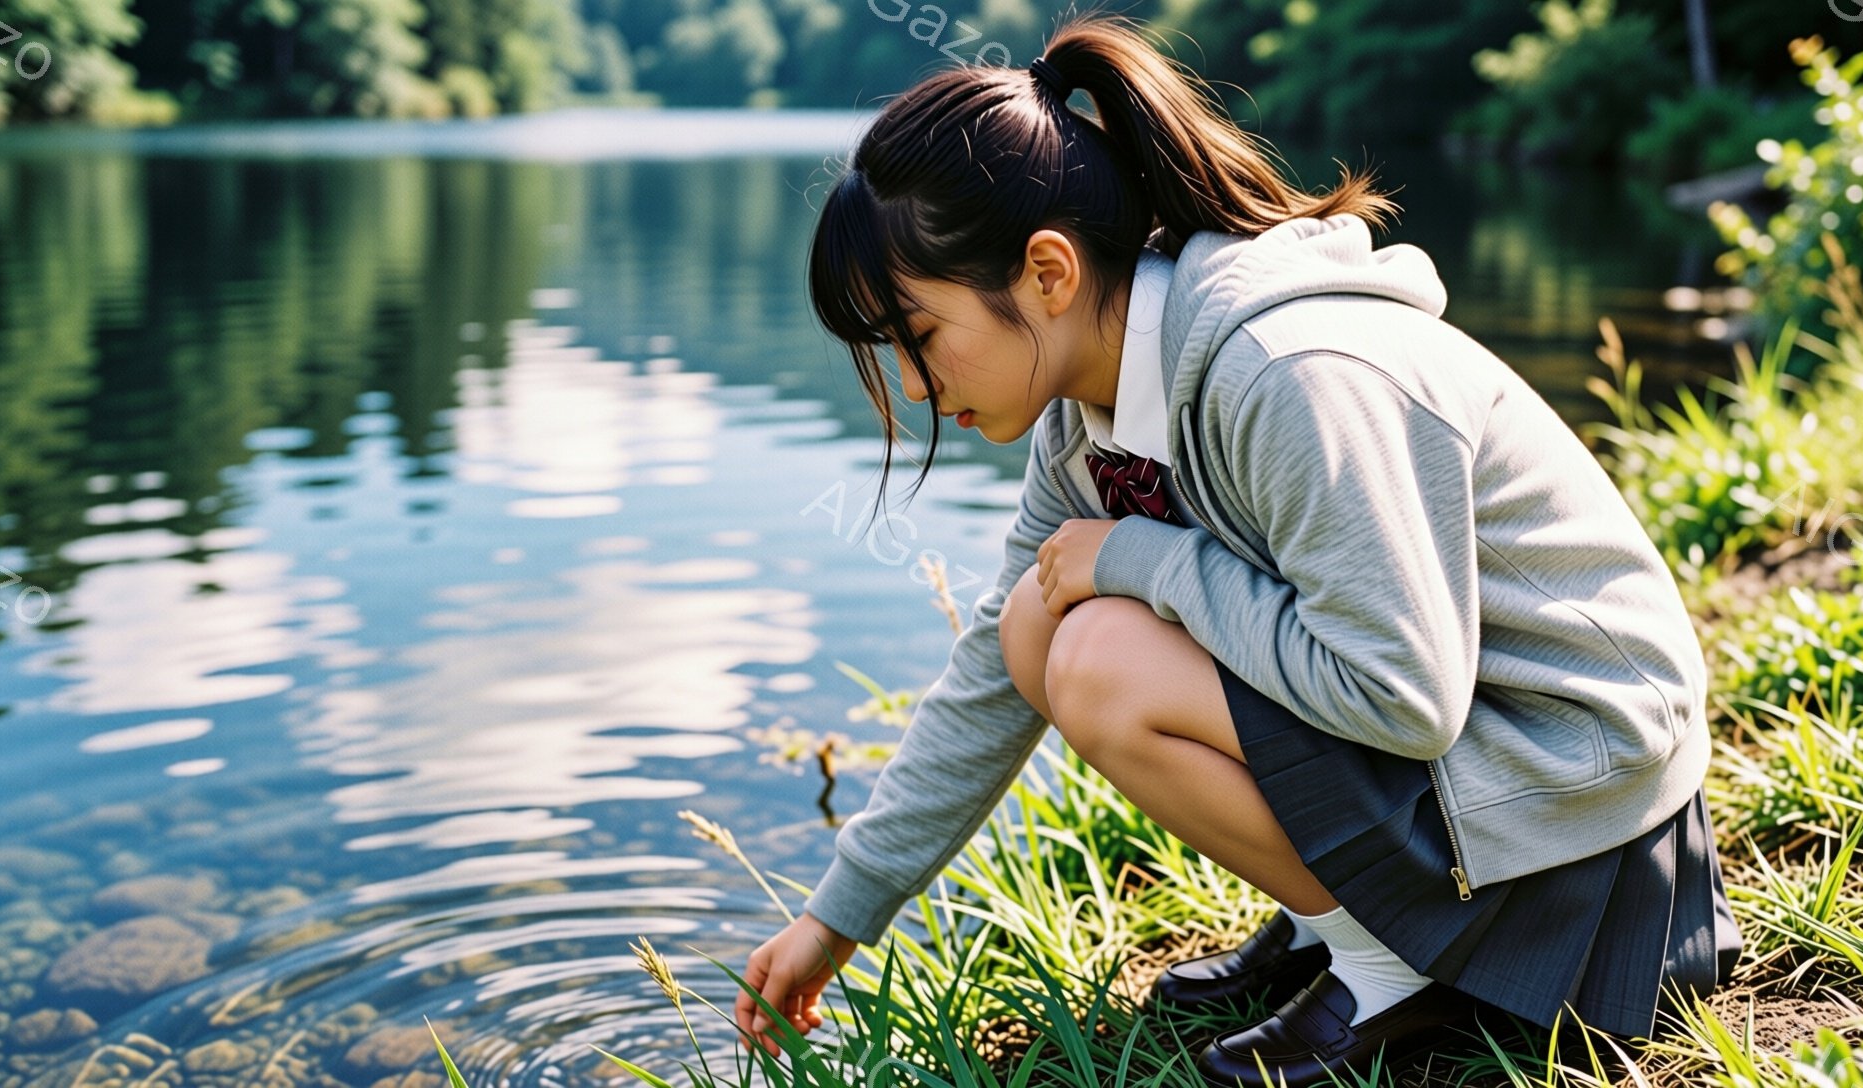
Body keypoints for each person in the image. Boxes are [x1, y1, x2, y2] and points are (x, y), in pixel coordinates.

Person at [735, 12, 1743, 1086]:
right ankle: (1337, 926)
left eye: (920, 335)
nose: (915, 387)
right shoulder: (1091, 410)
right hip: (1481, 768)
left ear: (1047, 273)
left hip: (1576, 797)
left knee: (1094, 652)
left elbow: (1402, 694)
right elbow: (992, 666)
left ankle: (1392, 966)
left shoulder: (1289, 374)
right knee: (1037, 623)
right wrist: (838, 917)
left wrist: (1143, 562)